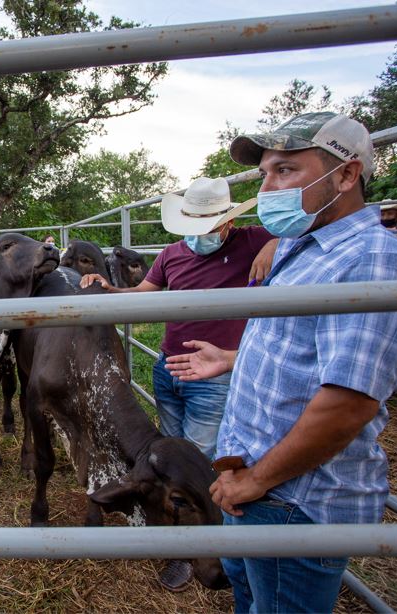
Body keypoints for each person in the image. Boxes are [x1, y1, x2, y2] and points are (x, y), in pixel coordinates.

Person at [165, 112, 397, 613]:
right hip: (254, 481)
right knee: (251, 598)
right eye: (265, 173)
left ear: (346, 175)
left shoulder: (371, 260)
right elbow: (308, 349)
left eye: (286, 171)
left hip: (294, 498)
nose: (268, 186)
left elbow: (348, 402)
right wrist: (235, 357)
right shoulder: (305, 248)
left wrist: (257, 481)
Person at [80, 176, 277, 591]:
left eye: (208, 224)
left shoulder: (256, 239)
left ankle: (213, 552)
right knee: (169, 456)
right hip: (170, 368)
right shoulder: (172, 253)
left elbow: (315, 235)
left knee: (200, 460)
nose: (199, 234)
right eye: (193, 225)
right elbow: (144, 293)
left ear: (227, 223)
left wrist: (279, 244)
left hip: (215, 372)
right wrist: (106, 289)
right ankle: (186, 544)